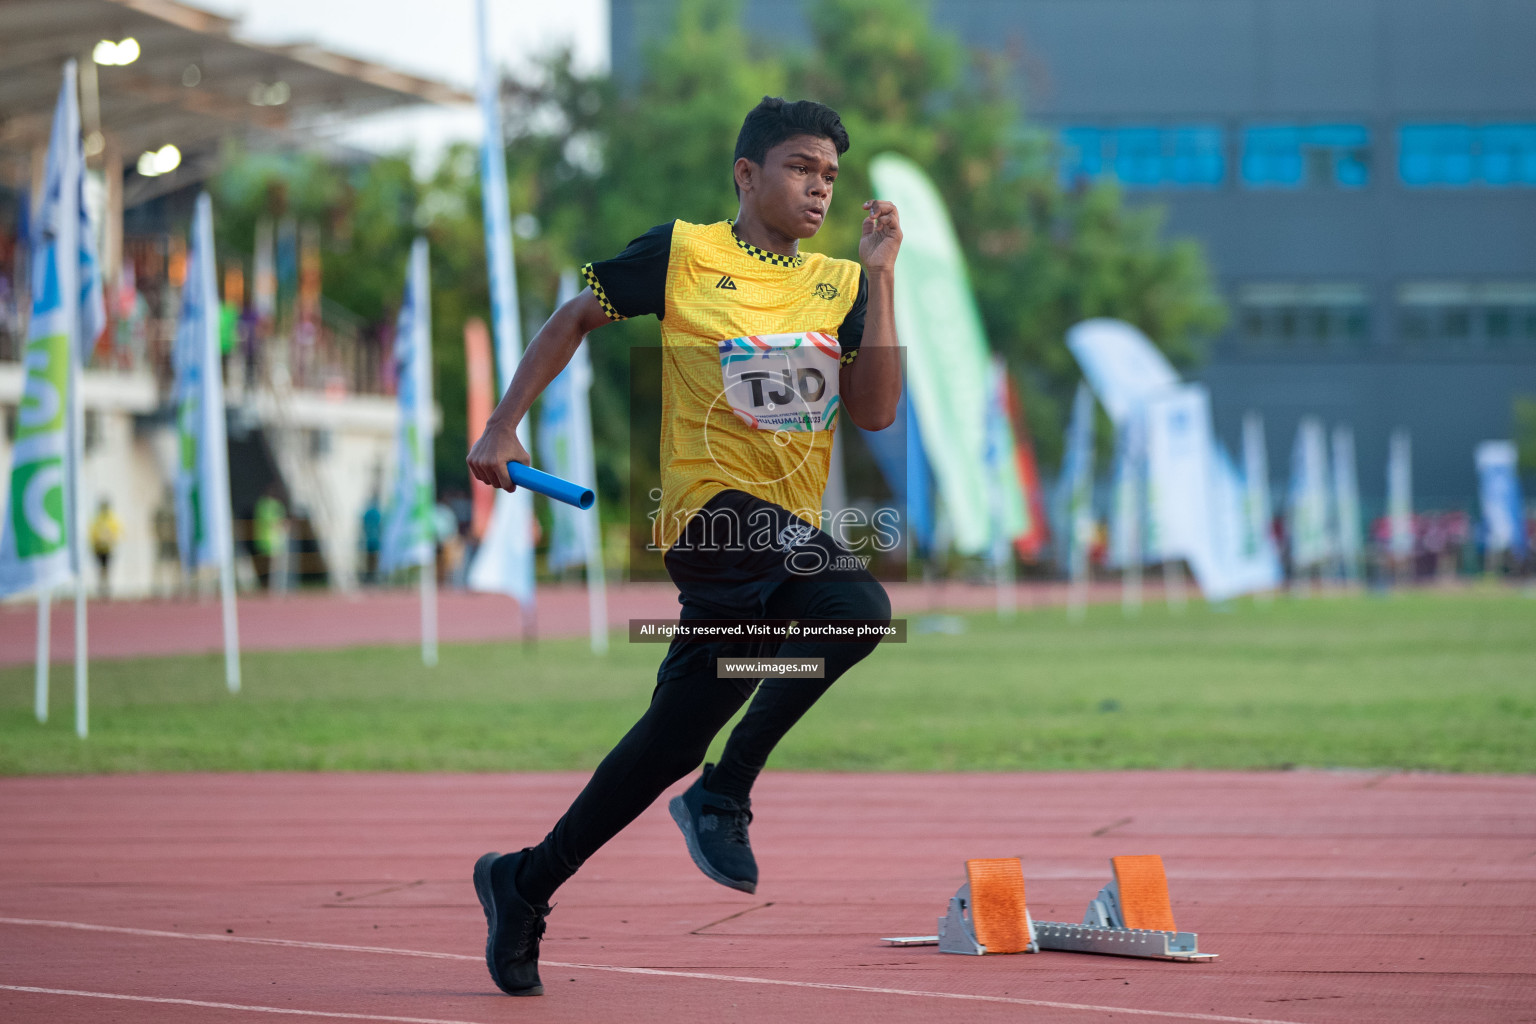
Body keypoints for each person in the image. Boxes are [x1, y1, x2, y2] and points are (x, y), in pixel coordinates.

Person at [465, 97, 903, 998]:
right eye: (798, 168)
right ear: (747, 174)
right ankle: (726, 791)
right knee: (858, 610)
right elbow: (571, 320)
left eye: (829, 175)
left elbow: (875, 411)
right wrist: (503, 428)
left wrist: (883, 279)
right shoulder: (685, 252)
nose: (818, 188)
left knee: (665, 741)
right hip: (706, 513)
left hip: (783, 537)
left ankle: (525, 882)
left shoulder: (840, 283)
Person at [90, 499, 123, 599]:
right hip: (98, 548)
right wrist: (97, 541)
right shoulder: (97, 519)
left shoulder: (111, 518)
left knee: (107, 569)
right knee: (101, 569)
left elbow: (117, 531)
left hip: (108, 548)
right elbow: (92, 532)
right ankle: (101, 588)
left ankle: (106, 588)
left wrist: (110, 539)